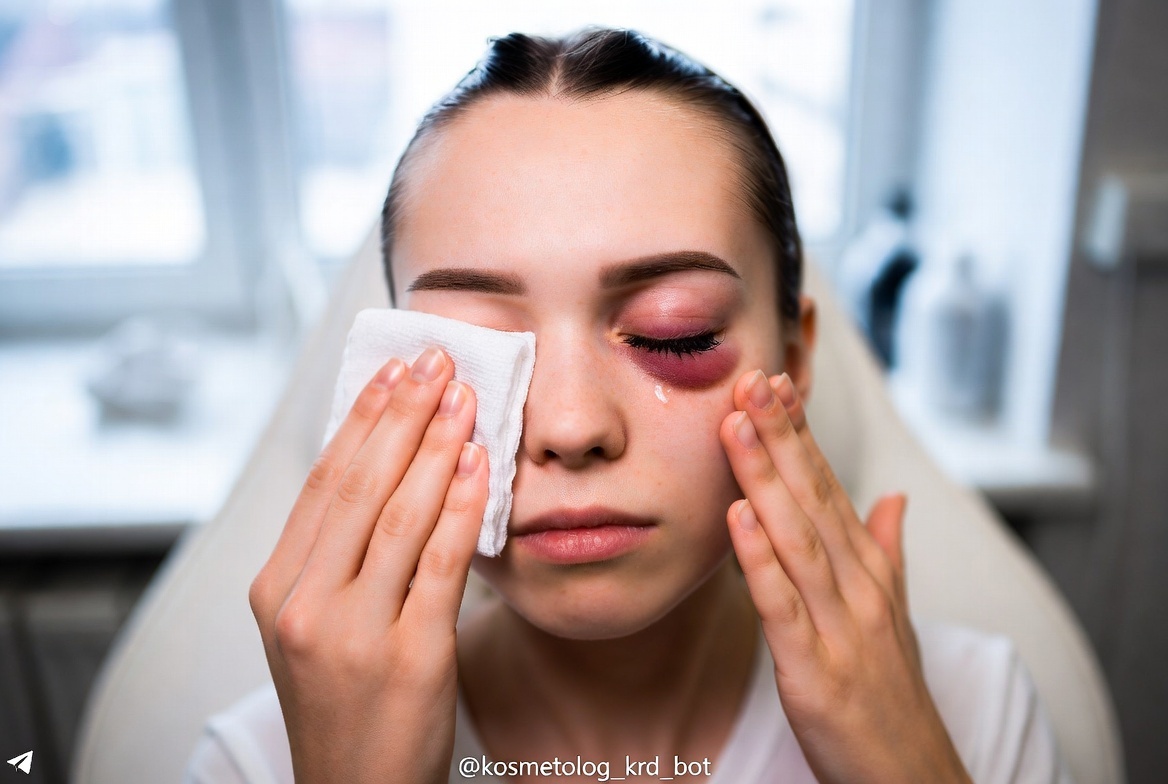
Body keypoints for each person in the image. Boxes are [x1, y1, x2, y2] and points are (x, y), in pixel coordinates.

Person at [185, 28, 1068, 783]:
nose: (571, 428)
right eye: (477, 353)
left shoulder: (970, 714)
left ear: (796, 360)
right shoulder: (259, 762)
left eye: (674, 335)